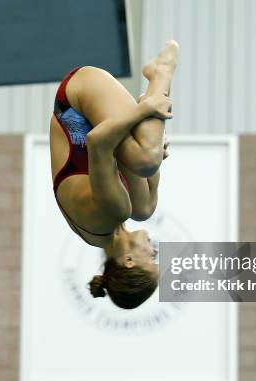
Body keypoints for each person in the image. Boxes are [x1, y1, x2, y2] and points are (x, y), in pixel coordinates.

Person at [49, 40, 178, 309]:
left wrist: (144, 110)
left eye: (151, 259)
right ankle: (153, 116)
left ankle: (161, 72)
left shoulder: (111, 214)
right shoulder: (108, 228)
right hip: (95, 119)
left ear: (128, 260)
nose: (155, 251)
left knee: (145, 159)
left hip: (77, 98)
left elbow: (97, 141)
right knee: (144, 207)